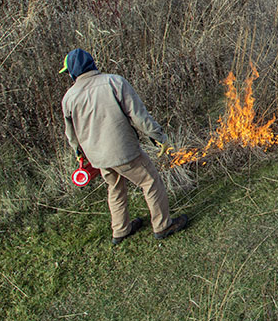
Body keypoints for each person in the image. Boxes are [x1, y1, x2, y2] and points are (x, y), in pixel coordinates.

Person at [61, 49, 189, 244]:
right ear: (92, 64)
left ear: (72, 73)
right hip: (123, 151)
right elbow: (138, 115)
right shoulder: (114, 82)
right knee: (151, 182)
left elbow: (71, 135)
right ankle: (163, 225)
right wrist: (157, 137)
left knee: (115, 187)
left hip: (98, 157)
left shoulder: (69, 98)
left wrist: (80, 155)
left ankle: (120, 230)